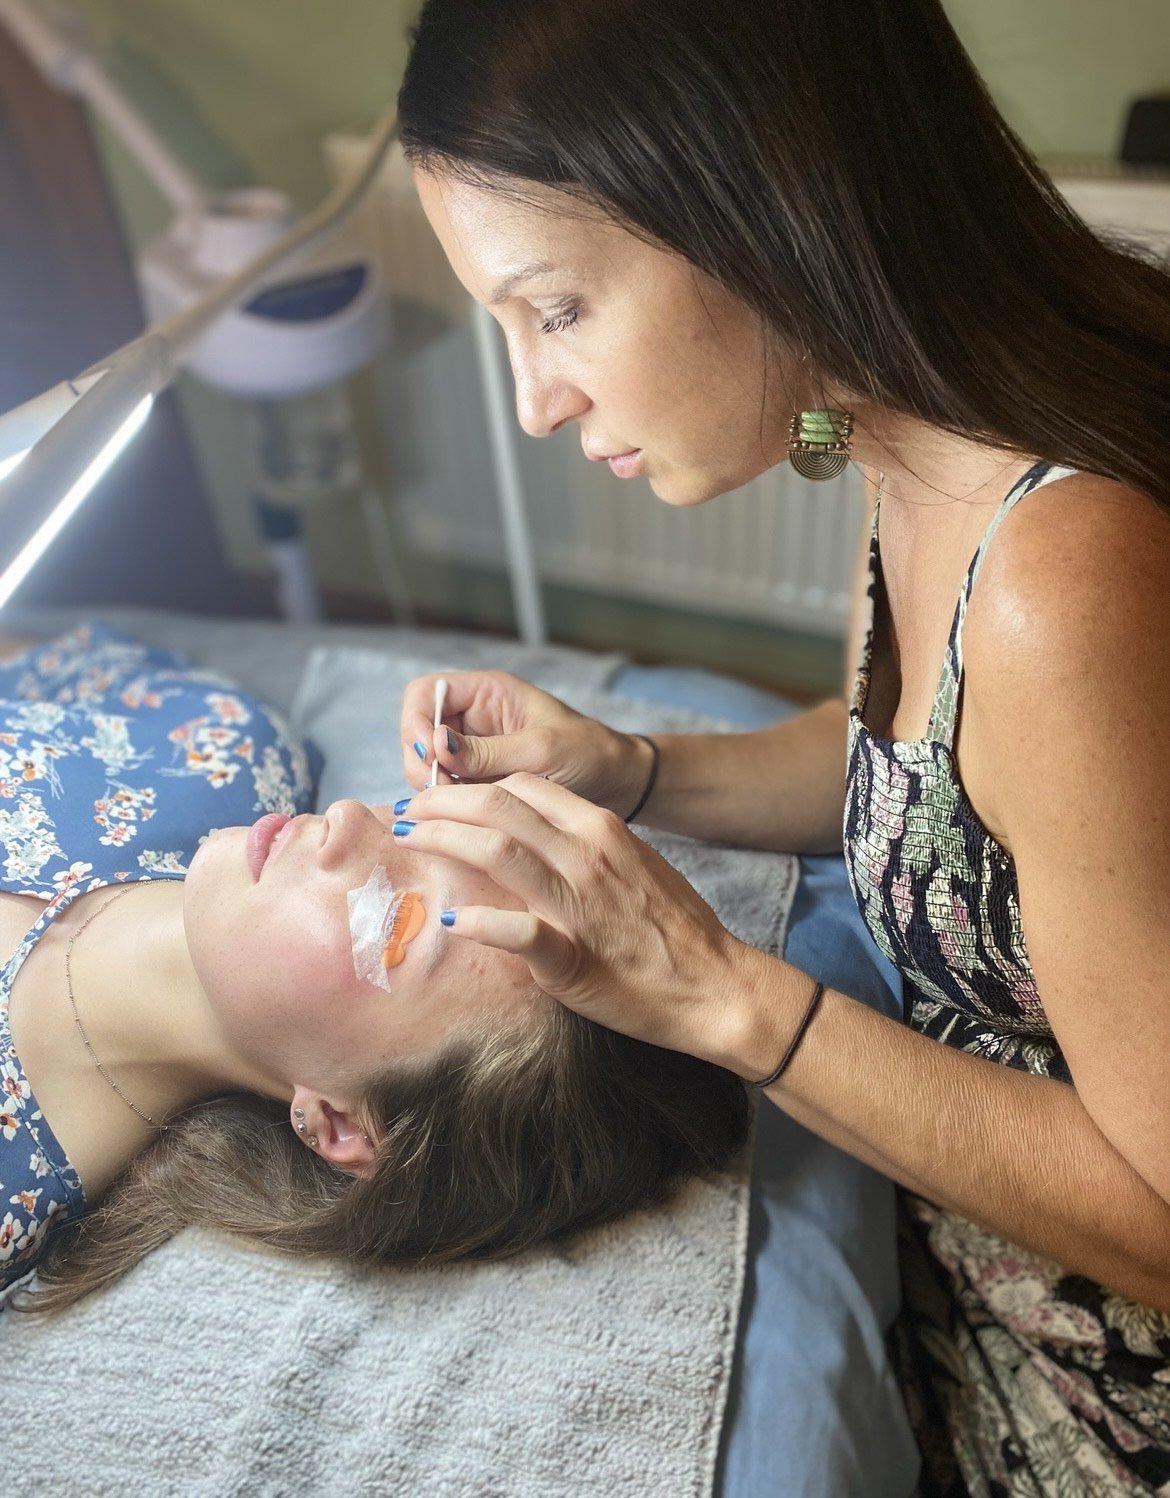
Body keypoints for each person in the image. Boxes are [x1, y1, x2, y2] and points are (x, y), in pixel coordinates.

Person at [392, 0, 1170, 1491]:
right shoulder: (873, 420)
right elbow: (937, 793)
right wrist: (627, 764)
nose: (535, 401)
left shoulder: (1057, 590)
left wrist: (716, 995)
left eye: (554, 310)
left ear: (751, 206)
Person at [0, 622, 749, 1312]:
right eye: (415, 824)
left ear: (340, 1125)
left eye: (390, 920)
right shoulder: (221, 750)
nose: (350, 821)